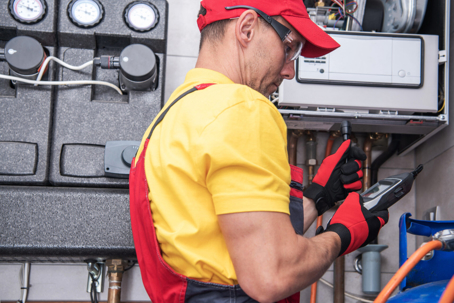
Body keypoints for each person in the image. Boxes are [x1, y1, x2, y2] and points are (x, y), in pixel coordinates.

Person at [129, 1, 389, 302]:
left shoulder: (170, 119)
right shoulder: (242, 107)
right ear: (247, 28)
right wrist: (342, 235)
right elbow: (272, 275)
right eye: (290, 48)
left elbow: (230, 245)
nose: (290, 70)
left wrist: (318, 197)